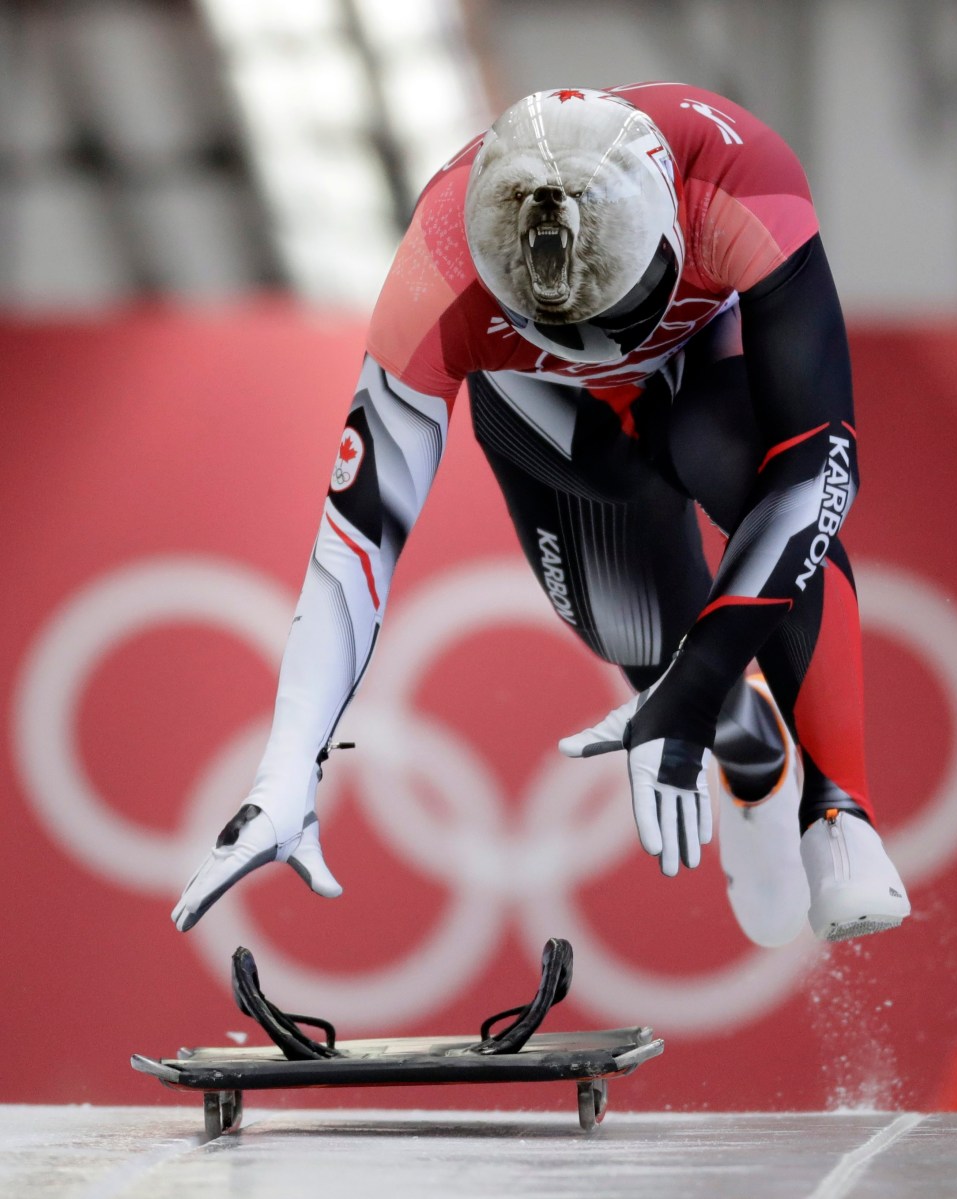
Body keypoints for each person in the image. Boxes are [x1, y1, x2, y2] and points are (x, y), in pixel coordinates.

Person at [172, 83, 910, 947]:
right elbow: (354, 540)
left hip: (706, 364)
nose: (604, 345)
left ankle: (836, 808)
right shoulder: (436, 273)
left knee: (741, 460)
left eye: (620, 315)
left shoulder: (741, 179)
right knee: (632, 640)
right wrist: (284, 773)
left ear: (674, 228)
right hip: (554, 419)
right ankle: (749, 748)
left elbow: (819, 465)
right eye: (562, 326)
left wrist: (699, 677)